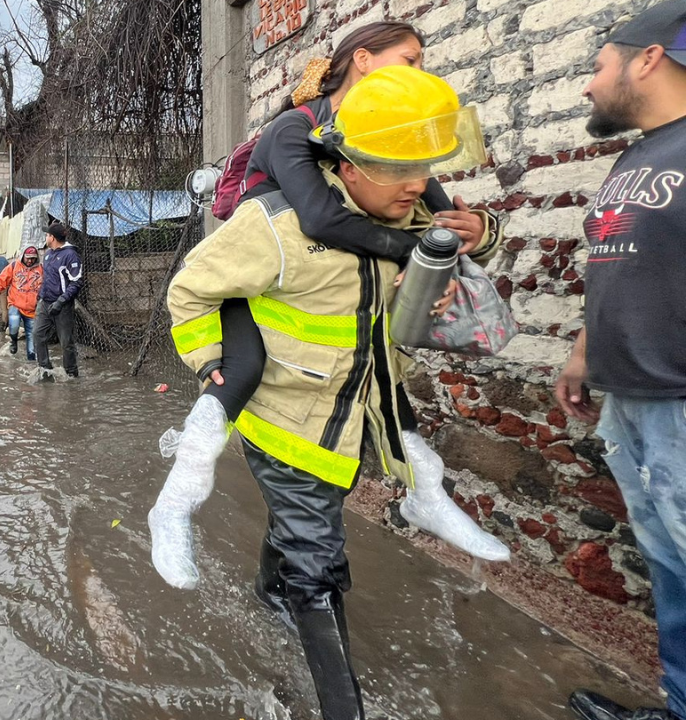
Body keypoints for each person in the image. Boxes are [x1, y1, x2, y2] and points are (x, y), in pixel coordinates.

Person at [154, 67, 500, 720]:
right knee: (319, 568)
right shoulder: (276, 224)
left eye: (422, 168)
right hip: (284, 422)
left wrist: (481, 238)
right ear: (346, 158)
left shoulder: (408, 211)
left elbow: (465, 250)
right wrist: (211, 367)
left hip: (351, 419)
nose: (414, 184)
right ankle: (343, 705)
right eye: (395, 167)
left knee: (305, 524)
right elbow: (190, 289)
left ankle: (266, 592)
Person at [157, 21, 509, 567]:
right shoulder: (297, 128)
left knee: (385, 378)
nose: (420, 70)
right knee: (240, 372)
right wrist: (409, 253)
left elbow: (434, 219)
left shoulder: (390, 136)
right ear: (363, 60)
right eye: (410, 60)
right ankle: (177, 500)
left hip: (319, 285)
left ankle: (425, 492)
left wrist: (476, 233)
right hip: (250, 279)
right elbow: (322, 219)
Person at [555, 4, 686, 719]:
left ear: (648, 60)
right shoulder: (638, 154)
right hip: (631, 400)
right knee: (669, 570)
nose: (586, 87)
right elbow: (621, 267)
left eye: (597, 66)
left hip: (679, 401)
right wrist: (583, 352)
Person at [34, 223, 83, 378]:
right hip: (45, 302)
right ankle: (45, 369)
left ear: (52, 237)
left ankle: (71, 374)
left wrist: (61, 301)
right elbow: (47, 278)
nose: (46, 237)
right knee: (37, 334)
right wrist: (40, 296)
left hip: (62, 305)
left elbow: (76, 282)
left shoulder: (70, 255)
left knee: (66, 342)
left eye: (47, 235)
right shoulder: (48, 254)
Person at [0, 246, 44, 359]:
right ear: (23, 256)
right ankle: (13, 341)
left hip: (32, 309)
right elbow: (1, 279)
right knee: (14, 324)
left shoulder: (41, 269)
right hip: (16, 304)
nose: (30, 261)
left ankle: (30, 366)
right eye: (28, 258)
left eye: (33, 258)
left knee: (31, 344)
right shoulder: (14, 266)